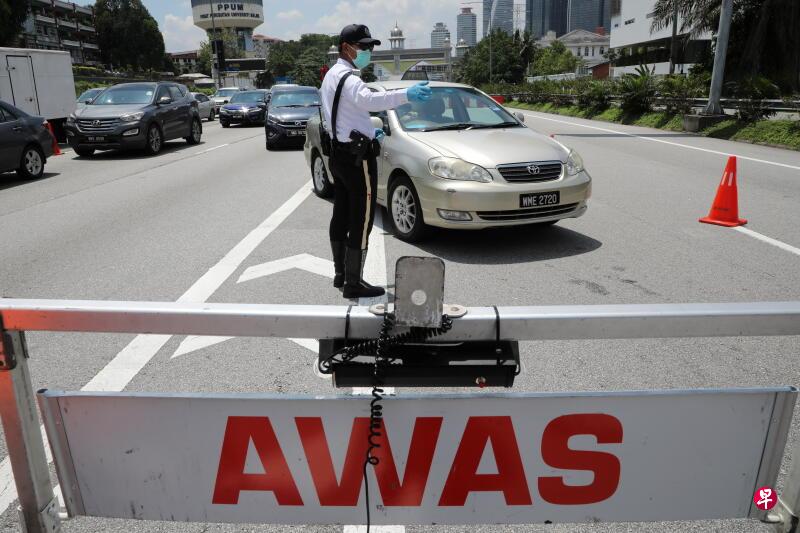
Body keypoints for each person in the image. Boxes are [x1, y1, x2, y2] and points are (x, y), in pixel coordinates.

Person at [321, 23, 431, 299]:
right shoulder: (352, 79)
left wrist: (371, 131)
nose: (368, 51)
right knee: (363, 218)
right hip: (358, 160)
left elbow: (343, 113)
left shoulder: (330, 76)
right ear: (347, 47)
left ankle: (340, 273)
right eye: (364, 46)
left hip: (338, 154)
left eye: (370, 47)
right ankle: (354, 282)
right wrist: (407, 94)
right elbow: (370, 101)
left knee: (342, 213)